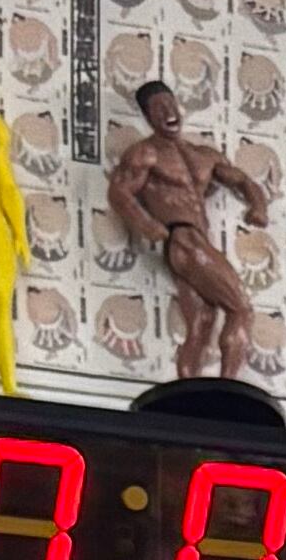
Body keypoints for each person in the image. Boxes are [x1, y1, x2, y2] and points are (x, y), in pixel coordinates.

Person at [106, 77, 268, 382]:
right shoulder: (146, 153)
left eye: (170, 104)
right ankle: (228, 386)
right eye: (158, 108)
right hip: (183, 238)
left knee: (201, 321)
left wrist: (258, 205)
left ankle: (187, 388)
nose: (168, 112)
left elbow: (242, 180)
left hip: (194, 241)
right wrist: (146, 223)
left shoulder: (203, 155)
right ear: (148, 117)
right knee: (240, 308)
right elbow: (119, 192)